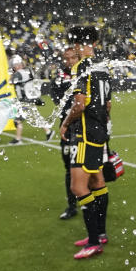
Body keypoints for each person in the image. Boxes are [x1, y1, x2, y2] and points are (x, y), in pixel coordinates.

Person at [59, 26, 112, 259]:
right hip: (100, 130)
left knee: (78, 187)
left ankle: (92, 242)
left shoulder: (81, 67)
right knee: (97, 180)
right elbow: (108, 105)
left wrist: (66, 122)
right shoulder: (103, 67)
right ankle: (100, 234)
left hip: (84, 132)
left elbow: (80, 104)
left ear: (79, 44)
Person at [50, 44, 81, 219]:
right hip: (67, 128)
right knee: (69, 167)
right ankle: (72, 206)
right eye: (67, 58)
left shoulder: (86, 74)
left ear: (79, 58)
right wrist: (68, 109)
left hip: (87, 128)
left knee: (90, 168)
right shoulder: (60, 77)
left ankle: (90, 202)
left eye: (73, 58)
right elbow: (56, 98)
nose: (69, 61)